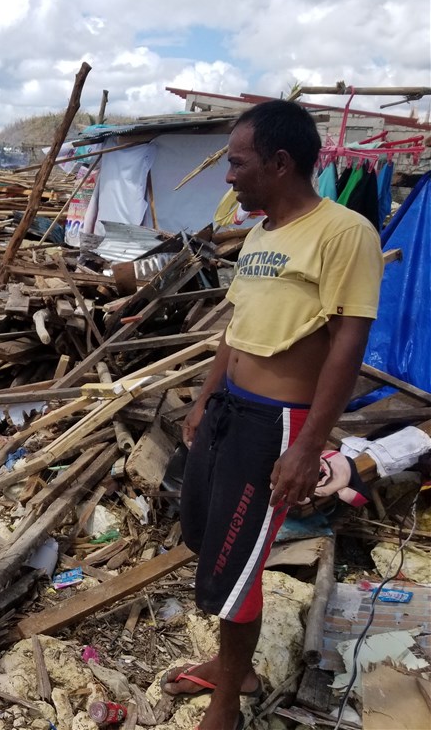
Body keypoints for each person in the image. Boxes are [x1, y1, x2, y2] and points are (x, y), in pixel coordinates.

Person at [163, 100, 383, 730]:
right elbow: (237, 327)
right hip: (231, 410)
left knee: (237, 559)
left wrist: (308, 446)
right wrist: (205, 399)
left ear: (280, 163)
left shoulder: (344, 233)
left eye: (237, 163)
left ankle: (227, 703)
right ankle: (239, 666)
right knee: (212, 546)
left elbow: (347, 343)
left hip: (278, 423)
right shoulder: (261, 234)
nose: (228, 177)